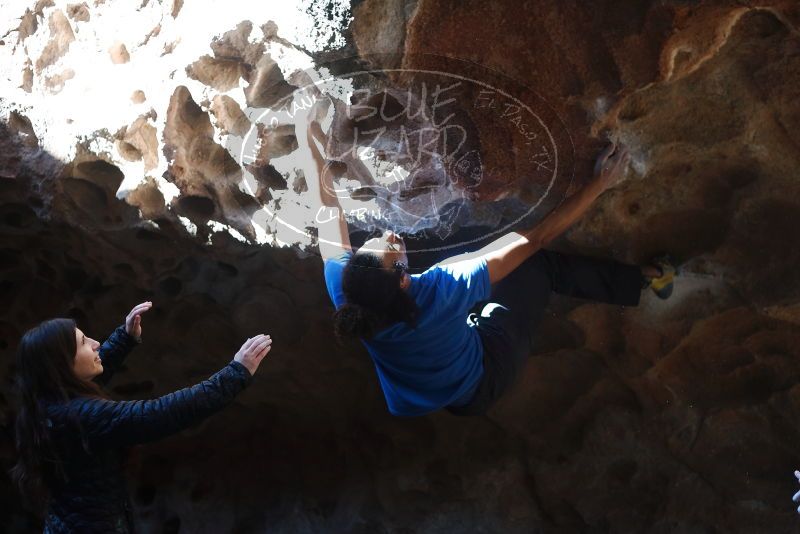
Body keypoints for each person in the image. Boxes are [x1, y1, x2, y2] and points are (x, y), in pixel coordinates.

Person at [296, 101, 674, 417]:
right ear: (403, 279)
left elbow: (327, 208)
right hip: (483, 378)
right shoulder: (444, 286)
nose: (388, 234)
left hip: (438, 388)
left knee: (471, 271)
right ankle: (646, 277)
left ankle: (471, 323)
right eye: (392, 248)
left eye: (373, 241)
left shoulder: (348, 292)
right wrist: (599, 185)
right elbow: (535, 238)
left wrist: (306, 135)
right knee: (537, 265)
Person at [10, 301, 272, 533]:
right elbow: (159, 414)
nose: (95, 343)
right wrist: (237, 372)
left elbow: (91, 373)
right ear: (62, 365)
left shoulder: (46, 401)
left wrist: (124, 338)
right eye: (83, 343)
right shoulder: (80, 417)